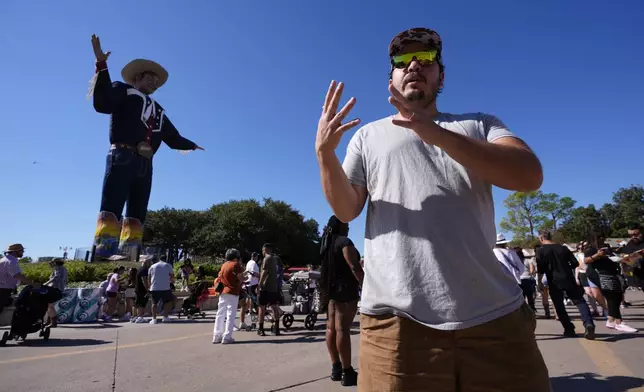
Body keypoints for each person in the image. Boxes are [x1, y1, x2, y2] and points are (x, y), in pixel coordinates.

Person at [315, 27, 550, 390]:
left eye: (425, 58)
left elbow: (528, 174)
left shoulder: (478, 124)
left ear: (440, 75)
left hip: (495, 319)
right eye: (401, 60)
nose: (413, 65)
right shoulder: (368, 136)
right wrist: (325, 155)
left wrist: (436, 133)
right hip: (395, 325)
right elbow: (346, 210)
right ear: (390, 75)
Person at [88, 34, 205, 260]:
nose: (154, 83)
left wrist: (191, 144)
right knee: (113, 199)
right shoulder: (123, 90)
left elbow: (172, 136)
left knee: (138, 208)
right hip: (122, 153)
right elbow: (104, 103)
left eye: (156, 82)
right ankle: (105, 249)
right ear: (138, 76)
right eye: (150, 78)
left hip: (146, 162)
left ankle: (130, 250)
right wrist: (102, 65)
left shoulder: (159, 109)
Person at [319, 216, 363, 386]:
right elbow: (354, 266)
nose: (349, 226)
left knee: (331, 328)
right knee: (343, 328)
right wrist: (365, 284)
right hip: (345, 290)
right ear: (340, 225)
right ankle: (347, 371)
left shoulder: (326, 243)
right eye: (346, 223)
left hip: (329, 289)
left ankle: (336, 368)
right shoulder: (344, 241)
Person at [536, 230, 595, 339]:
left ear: (541, 238)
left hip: (553, 281)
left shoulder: (540, 250)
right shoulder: (563, 248)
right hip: (568, 278)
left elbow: (540, 269)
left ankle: (569, 329)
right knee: (579, 301)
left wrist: (539, 282)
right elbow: (575, 263)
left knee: (559, 305)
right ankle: (588, 323)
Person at [584, 236, 637, 333]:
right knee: (611, 297)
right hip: (600, 276)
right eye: (599, 239)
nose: (602, 240)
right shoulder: (592, 250)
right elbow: (586, 261)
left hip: (612, 275)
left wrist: (624, 258)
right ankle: (619, 322)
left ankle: (611, 320)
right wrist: (597, 255)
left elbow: (614, 258)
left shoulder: (609, 249)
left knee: (616, 297)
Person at [212, 249, 244, 344]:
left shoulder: (224, 265)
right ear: (235, 257)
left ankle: (216, 336)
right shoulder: (235, 264)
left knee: (220, 313)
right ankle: (227, 336)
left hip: (223, 292)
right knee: (230, 314)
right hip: (232, 291)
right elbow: (240, 278)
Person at [0, 244, 37, 315]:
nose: (23, 252)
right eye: (21, 250)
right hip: (3, 289)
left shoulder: (4, 260)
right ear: (15, 251)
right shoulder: (11, 261)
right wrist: (33, 283)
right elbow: (17, 275)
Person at [257, 243, 282, 337]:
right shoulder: (275, 259)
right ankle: (277, 328)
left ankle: (261, 329)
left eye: (263, 250)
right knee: (274, 306)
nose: (262, 252)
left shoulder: (266, 259)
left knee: (261, 307)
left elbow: (264, 272)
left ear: (265, 250)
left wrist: (259, 285)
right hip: (273, 287)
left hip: (265, 287)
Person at [148, 256, 175, 324]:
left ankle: (154, 319)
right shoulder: (168, 265)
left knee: (154, 303)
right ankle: (165, 317)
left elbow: (149, 277)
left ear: (159, 259)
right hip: (165, 287)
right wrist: (171, 281)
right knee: (167, 302)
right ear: (166, 259)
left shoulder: (152, 266)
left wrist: (149, 286)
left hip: (154, 287)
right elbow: (172, 275)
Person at [619, 223, 644, 290]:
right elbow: (624, 256)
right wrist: (622, 258)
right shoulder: (630, 243)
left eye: (635, 234)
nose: (633, 237)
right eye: (630, 235)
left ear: (641, 231)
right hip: (639, 278)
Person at [43, 258, 68, 327]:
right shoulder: (62, 268)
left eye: (53, 262)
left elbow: (55, 278)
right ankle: (49, 321)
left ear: (56, 263)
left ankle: (53, 323)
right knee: (49, 305)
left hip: (56, 289)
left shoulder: (59, 268)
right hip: (58, 289)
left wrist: (45, 284)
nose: (51, 264)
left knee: (50, 305)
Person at [239, 252, 260, 330]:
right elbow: (254, 273)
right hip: (253, 284)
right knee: (256, 301)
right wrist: (262, 275)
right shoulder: (254, 263)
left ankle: (244, 319)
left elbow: (247, 272)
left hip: (248, 284)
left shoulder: (248, 263)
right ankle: (255, 314)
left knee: (248, 301)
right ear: (256, 257)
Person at [132, 258, 152, 324]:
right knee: (141, 304)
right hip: (142, 290)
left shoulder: (140, 269)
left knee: (137, 304)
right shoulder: (144, 270)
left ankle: (134, 317)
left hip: (138, 289)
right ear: (147, 263)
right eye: (150, 263)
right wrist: (147, 289)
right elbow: (144, 281)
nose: (150, 264)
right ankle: (140, 317)